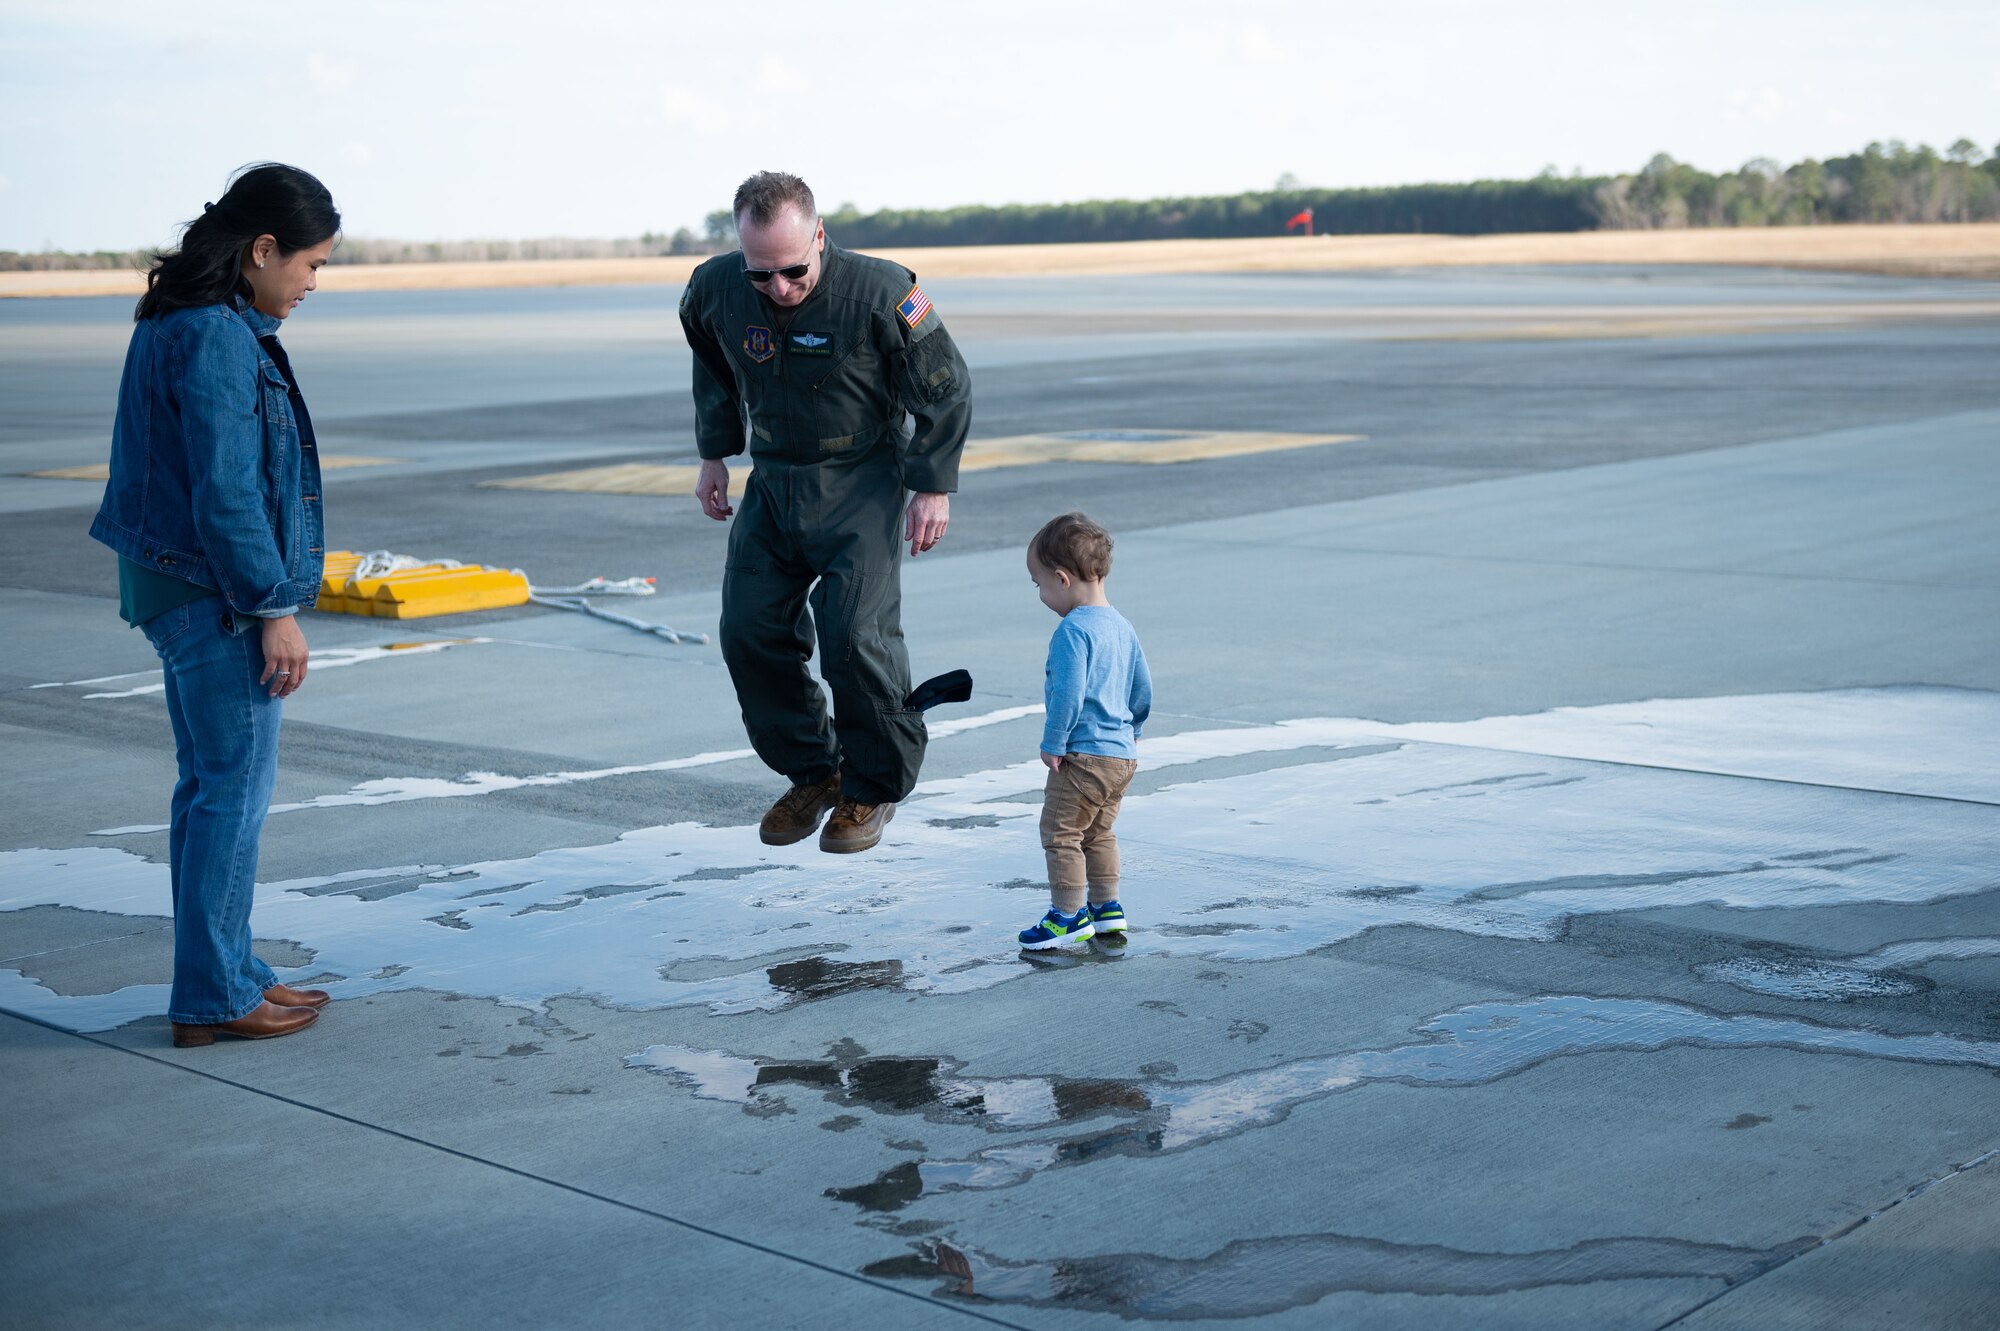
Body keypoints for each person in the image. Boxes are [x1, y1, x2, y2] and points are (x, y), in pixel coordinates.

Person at [88, 163, 339, 1046]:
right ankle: (214, 995)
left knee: (208, 790)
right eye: (309, 263)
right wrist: (274, 607)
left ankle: (225, 969)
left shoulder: (185, 320)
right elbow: (225, 493)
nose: (313, 282)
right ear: (262, 249)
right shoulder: (215, 336)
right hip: (214, 593)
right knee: (231, 792)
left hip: (175, 582)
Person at [679, 172, 972, 854]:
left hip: (861, 480)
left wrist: (933, 485)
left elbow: (946, 388)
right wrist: (715, 453)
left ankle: (872, 787)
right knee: (748, 631)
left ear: (819, 235)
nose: (778, 288)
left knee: (853, 636)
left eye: (793, 270)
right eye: (762, 274)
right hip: (774, 480)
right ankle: (815, 771)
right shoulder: (714, 287)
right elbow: (711, 362)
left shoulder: (882, 292)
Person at [1019, 513, 1153, 950]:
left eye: (1038, 583)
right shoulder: (1122, 625)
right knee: (1098, 832)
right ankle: (1107, 908)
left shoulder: (1072, 631)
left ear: (1061, 579)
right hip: (1121, 755)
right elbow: (1141, 688)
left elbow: (1069, 696)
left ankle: (1067, 916)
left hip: (1083, 755)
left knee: (1060, 834)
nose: (1039, 593)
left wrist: (1053, 743)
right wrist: (1133, 732)